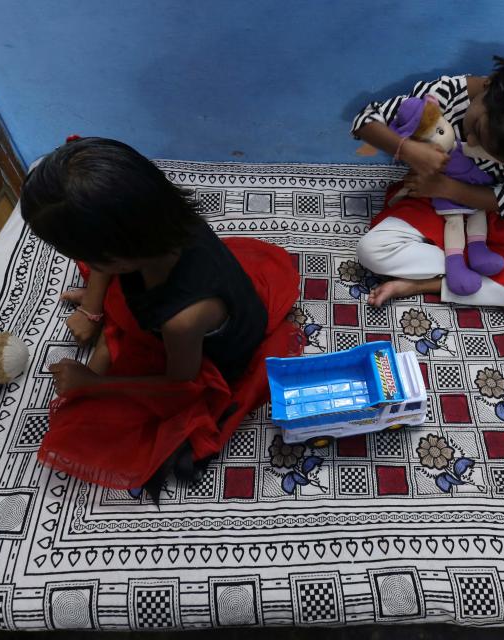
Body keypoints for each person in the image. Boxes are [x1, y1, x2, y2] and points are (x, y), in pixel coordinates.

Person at [20, 137, 300, 494]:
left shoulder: (181, 319)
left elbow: (179, 385)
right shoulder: (161, 218)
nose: (81, 262)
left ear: (116, 256)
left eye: (83, 255)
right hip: (185, 297)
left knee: (88, 424)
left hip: (205, 352)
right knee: (107, 294)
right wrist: (92, 306)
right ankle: (103, 310)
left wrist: (93, 383)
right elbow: (109, 256)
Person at [352, 56, 504, 313]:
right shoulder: (446, 94)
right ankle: (484, 281)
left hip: (484, 211)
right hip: (428, 201)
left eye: (492, 152)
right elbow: (365, 120)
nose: (471, 141)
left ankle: (425, 285)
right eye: (475, 128)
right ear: (490, 86)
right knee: (370, 252)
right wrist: (408, 151)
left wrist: (448, 188)